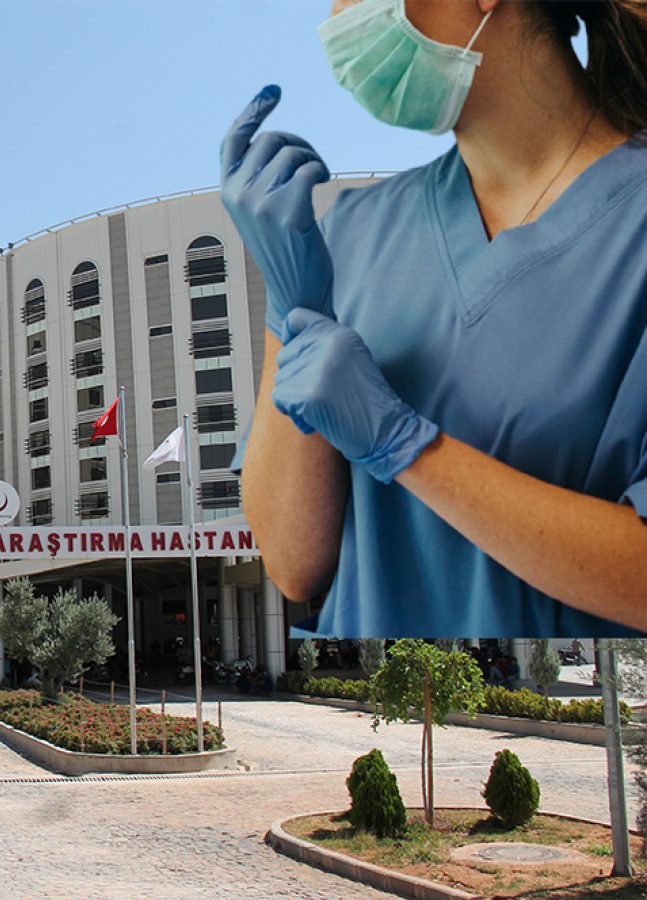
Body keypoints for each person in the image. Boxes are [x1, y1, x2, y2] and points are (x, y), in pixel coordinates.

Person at [228, 0, 647, 637]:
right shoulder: (346, 235)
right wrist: (293, 310)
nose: (337, 19)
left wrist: (406, 446)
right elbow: (293, 566)